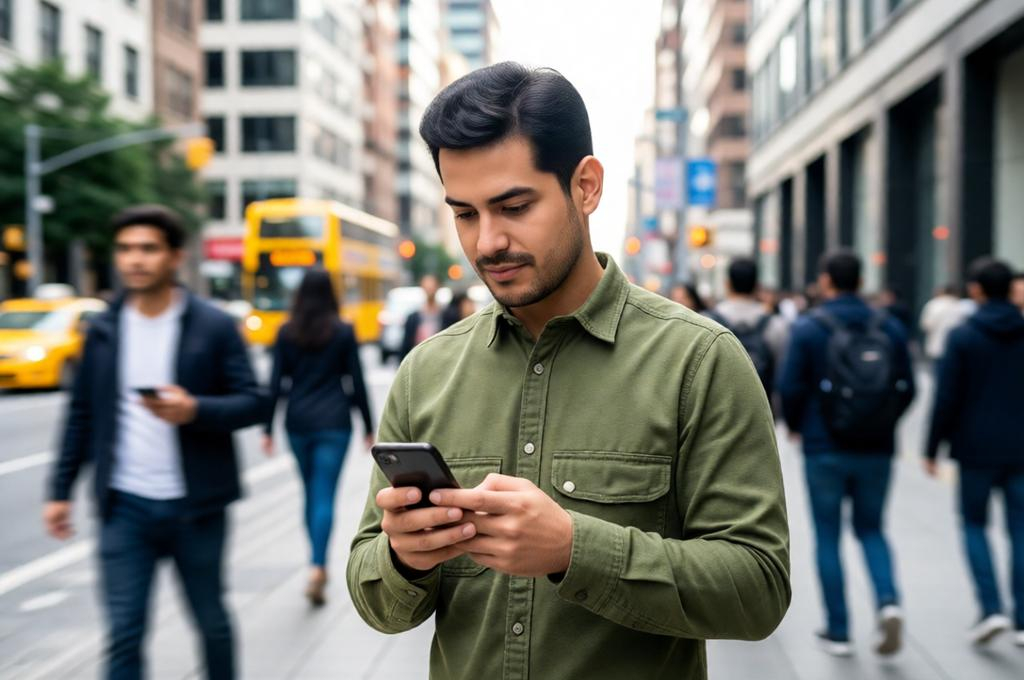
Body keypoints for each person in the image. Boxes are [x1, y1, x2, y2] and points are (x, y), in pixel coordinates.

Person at [346, 62, 790, 680]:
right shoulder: (428, 371)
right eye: (465, 213)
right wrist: (404, 558)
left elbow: (758, 589)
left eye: (514, 205)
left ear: (586, 187)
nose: (486, 243)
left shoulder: (700, 359)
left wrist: (574, 549)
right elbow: (376, 601)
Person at [44, 205, 266, 680]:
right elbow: (81, 413)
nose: (134, 260)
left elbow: (254, 402)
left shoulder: (212, 325)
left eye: (147, 249)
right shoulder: (103, 328)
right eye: (125, 249)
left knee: (211, 623)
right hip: (124, 506)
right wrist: (60, 491)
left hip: (197, 506)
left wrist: (196, 410)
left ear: (173, 257)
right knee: (124, 632)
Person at [778, 250, 916, 657]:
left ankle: (838, 631)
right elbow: (908, 384)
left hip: (825, 448)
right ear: (861, 280)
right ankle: (888, 601)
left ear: (826, 281)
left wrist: (800, 428)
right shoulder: (888, 325)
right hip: (877, 447)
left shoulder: (809, 327)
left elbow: (790, 386)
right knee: (872, 529)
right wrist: (885, 422)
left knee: (828, 535)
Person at [924, 258, 1024, 647]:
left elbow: (946, 397)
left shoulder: (964, 335)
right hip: (1020, 449)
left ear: (978, 289)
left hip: (975, 448)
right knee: (1020, 529)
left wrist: (931, 448)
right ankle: (1021, 619)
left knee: (974, 525)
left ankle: (991, 608)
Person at [262, 269, 374, 606]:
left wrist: (267, 428)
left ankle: (315, 562)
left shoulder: (286, 332)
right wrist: (369, 425)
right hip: (335, 422)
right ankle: (317, 565)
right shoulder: (341, 331)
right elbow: (356, 381)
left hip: (297, 421)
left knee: (309, 493)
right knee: (324, 493)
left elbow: (275, 383)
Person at [706, 257, 789, 397]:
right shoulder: (775, 324)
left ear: (727, 284)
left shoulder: (707, 321)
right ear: (757, 286)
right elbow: (782, 374)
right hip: (761, 410)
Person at [919, 284, 966, 364]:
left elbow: (926, 325)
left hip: (937, 347)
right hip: (957, 348)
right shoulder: (961, 306)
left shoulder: (933, 305)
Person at [400, 274, 444, 359]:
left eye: (432, 287)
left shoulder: (447, 315)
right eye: (427, 287)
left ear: (438, 287)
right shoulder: (412, 318)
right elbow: (405, 345)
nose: (429, 290)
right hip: (418, 361)